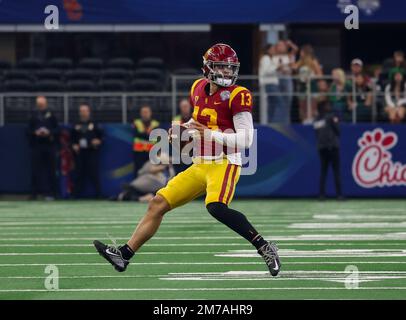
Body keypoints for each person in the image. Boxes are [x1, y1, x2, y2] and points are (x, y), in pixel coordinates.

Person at [94, 43, 281, 277]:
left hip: (224, 161)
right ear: (207, 68)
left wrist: (209, 134)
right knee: (157, 204)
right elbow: (196, 123)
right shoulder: (197, 88)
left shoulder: (238, 94)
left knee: (216, 207)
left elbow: (246, 141)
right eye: (221, 67)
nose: (226, 73)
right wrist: (182, 130)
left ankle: (264, 246)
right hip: (200, 162)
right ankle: (124, 254)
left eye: (229, 68)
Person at [27, 96, 59, 200]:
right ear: (37, 104)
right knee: (35, 170)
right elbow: (27, 131)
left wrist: (49, 132)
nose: (41, 106)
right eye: (39, 104)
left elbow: (57, 129)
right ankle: (34, 193)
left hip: (49, 146)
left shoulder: (52, 115)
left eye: (42, 104)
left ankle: (52, 193)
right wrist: (35, 133)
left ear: (46, 104)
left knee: (51, 170)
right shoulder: (33, 115)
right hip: (37, 146)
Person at [71, 104, 103, 198]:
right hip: (79, 153)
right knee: (78, 174)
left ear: (89, 112)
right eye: (81, 111)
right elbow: (71, 138)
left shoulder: (94, 124)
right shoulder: (76, 124)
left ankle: (99, 194)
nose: (83, 113)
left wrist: (98, 141)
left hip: (91, 151)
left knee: (93, 173)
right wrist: (73, 145)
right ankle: (75, 195)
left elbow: (101, 136)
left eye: (85, 111)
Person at [313, 100, 342, 200]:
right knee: (332, 172)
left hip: (326, 148)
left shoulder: (318, 119)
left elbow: (337, 130)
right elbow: (337, 131)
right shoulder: (328, 118)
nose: (329, 107)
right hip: (329, 148)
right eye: (327, 105)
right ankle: (336, 195)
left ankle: (325, 195)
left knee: (327, 172)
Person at [292, 44, 323, 123]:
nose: (300, 53)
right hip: (302, 87)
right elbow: (294, 68)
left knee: (312, 107)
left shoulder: (313, 61)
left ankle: (312, 122)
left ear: (305, 52)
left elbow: (320, 75)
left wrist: (310, 77)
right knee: (302, 107)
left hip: (311, 86)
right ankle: (304, 121)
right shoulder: (300, 62)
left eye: (301, 52)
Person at [132, 105, 160, 177]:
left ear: (150, 113)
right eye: (143, 112)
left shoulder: (155, 124)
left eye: (146, 112)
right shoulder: (136, 123)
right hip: (139, 153)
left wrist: (142, 135)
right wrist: (148, 136)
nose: (145, 114)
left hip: (151, 153)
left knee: (152, 173)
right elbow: (136, 134)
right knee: (138, 172)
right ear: (141, 113)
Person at [258, 43, 279, 123]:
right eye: (273, 49)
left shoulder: (270, 58)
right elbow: (266, 71)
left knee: (272, 105)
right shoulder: (266, 58)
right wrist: (277, 67)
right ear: (268, 50)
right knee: (275, 103)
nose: (274, 50)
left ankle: (271, 121)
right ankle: (272, 122)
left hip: (271, 84)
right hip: (269, 84)